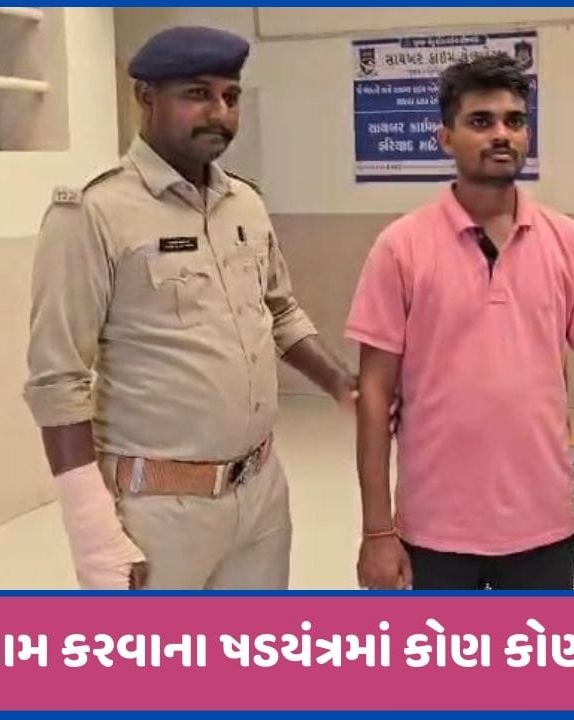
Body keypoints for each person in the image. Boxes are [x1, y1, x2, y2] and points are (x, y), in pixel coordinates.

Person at [23, 26, 357, 590]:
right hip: (157, 511)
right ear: (145, 97)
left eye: (231, 96)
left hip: (260, 495)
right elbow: (58, 379)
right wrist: (91, 527)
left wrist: (342, 385)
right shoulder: (93, 214)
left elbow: (280, 313)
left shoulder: (245, 202)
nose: (219, 113)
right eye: (198, 94)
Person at [346, 54, 574, 590]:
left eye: (514, 121)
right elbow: (374, 393)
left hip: (543, 524)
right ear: (445, 137)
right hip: (434, 527)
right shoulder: (401, 248)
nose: (501, 134)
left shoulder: (568, 243)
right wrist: (377, 530)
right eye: (480, 121)